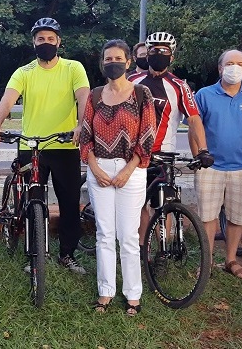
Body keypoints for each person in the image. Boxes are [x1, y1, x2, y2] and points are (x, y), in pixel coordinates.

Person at [0, 17, 91, 274]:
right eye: (41, 39)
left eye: (50, 39)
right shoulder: (24, 72)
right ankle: (33, 254)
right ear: (33, 42)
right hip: (31, 146)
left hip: (65, 146)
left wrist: (80, 125)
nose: (46, 43)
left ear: (59, 42)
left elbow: (84, 97)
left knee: (69, 202)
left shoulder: (73, 68)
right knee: (31, 201)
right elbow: (9, 98)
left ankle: (67, 254)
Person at [80, 39, 156, 315]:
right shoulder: (96, 95)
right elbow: (85, 135)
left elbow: (147, 136)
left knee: (127, 235)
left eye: (117, 58)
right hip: (98, 167)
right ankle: (105, 292)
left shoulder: (141, 94)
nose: (112, 63)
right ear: (103, 63)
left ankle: (133, 294)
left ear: (128, 62)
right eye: (107, 58)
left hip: (131, 171)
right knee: (104, 233)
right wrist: (95, 168)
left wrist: (128, 169)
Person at [126, 32, 213, 246]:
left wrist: (202, 150)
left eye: (164, 51)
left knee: (162, 203)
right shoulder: (132, 81)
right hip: (134, 154)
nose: (159, 55)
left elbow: (194, 119)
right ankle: (141, 247)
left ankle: (163, 251)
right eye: (154, 51)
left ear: (172, 57)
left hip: (163, 154)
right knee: (138, 205)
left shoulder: (180, 86)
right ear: (147, 54)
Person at [192, 49, 242, 279]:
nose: (234, 67)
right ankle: (206, 263)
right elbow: (194, 129)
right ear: (220, 68)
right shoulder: (204, 95)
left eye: (239, 63)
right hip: (211, 168)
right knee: (208, 217)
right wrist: (199, 156)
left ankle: (230, 260)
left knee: (238, 218)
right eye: (229, 63)